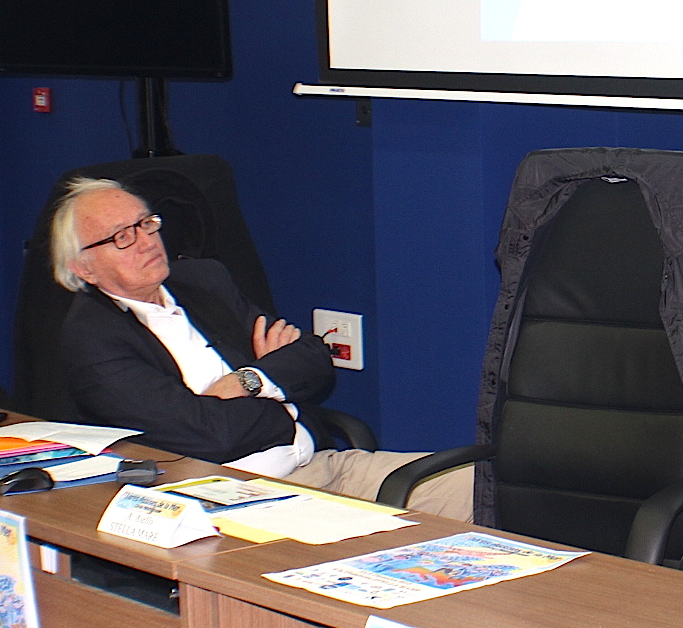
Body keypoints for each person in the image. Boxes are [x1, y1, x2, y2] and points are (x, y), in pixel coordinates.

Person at [51, 177, 472, 521]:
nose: (146, 241)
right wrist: (281, 398)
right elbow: (211, 437)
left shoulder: (202, 280)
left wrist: (247, 380)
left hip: (321, 468)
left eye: (146, 224)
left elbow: (312, 357)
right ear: (82, 267)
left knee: (486, 488)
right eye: (122, 237)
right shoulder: (92, 338)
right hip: (234, 501)